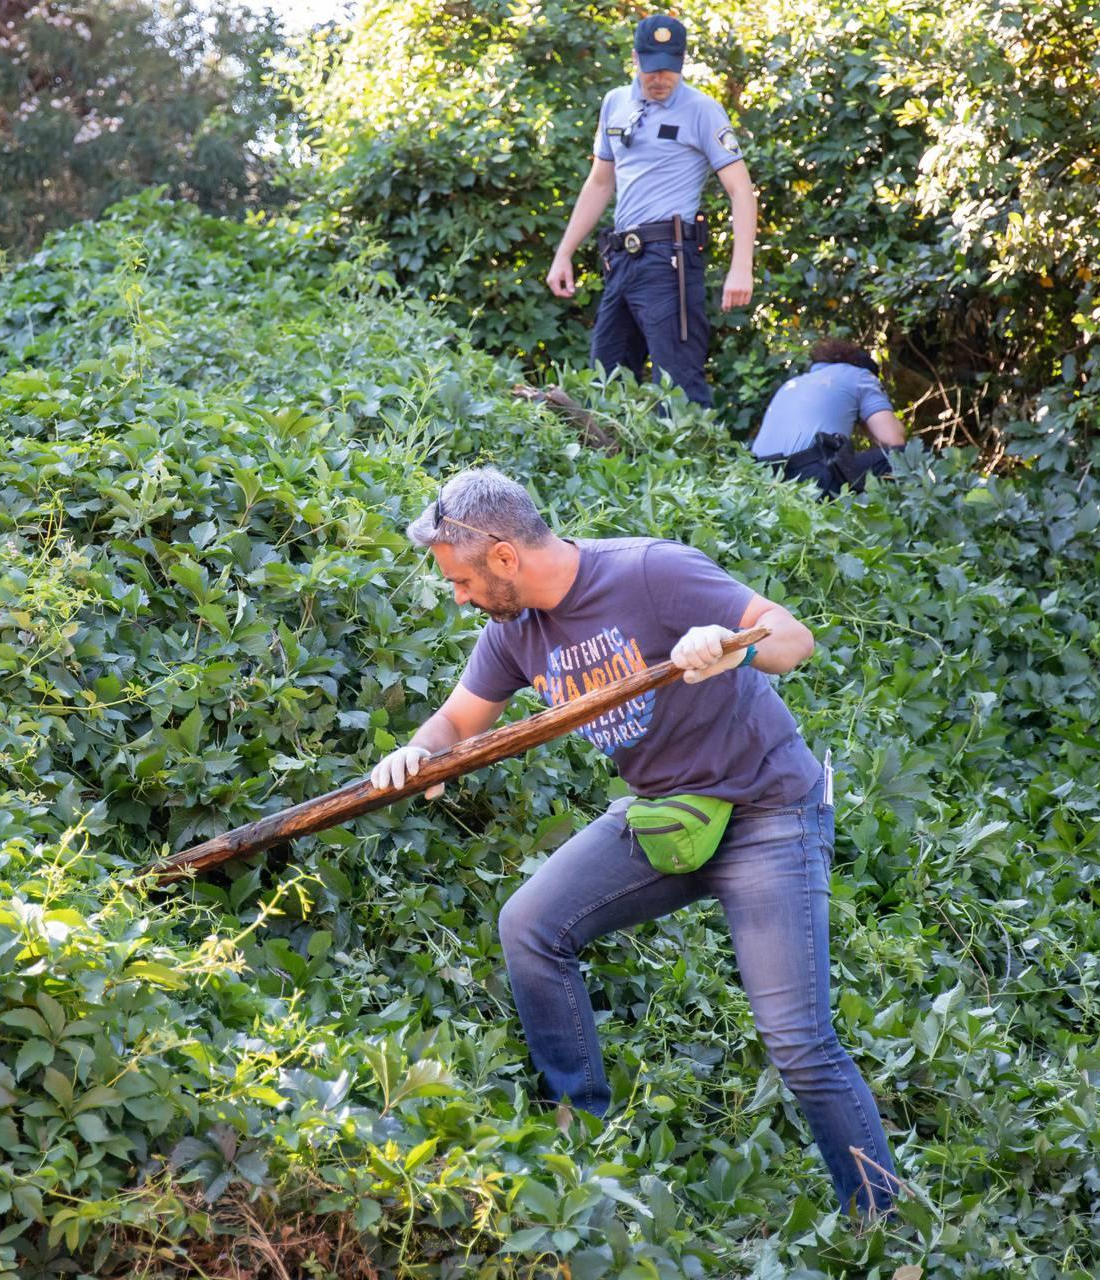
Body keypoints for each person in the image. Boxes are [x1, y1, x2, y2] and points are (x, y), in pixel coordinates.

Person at [368, 467, 899, 1216]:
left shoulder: (650, 572)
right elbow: (456, 722)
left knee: (799, 1046)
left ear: (502, 556)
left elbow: (792, 639)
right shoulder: (513, 632)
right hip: (668, 817)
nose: (458, 596)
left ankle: (887, 1226)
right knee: (530, 926)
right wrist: (415, 754)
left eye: (460, 579)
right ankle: (577, 1129)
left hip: (768, 813)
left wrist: (733, 647)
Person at [545, 14, 756, 408]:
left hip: (669, 261)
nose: (660, 78)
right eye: (651, 68)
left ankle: (696, 468)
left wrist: (741, 266)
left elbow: (740, 189)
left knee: (677, 391)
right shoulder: (615, 103)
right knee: (605, 382)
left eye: (669, 69)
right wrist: (564, 254)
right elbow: (599, 182)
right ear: (635, 58)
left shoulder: (702, 110)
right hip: (622, 259)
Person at [750, 339, 907, 495]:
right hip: (810, 476)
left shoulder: (792, 384)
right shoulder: (860, 376)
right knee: (908, 456)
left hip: (761, 480)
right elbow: (893, 440)